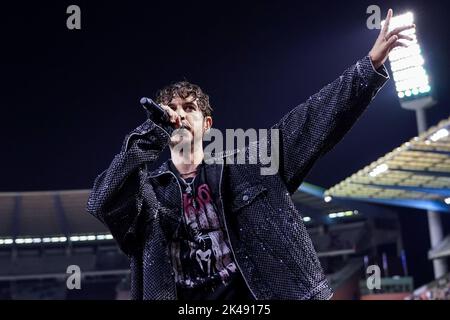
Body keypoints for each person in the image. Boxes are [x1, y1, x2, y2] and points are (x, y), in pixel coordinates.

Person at [87, 9, 414, 300]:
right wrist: (148, 137)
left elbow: (312, 121)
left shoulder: (252, 165)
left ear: (208, 125)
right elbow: (102, 201)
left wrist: (369, 66)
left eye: (189, 109)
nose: (179, 115)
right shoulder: (148, 196)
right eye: (170, 109)